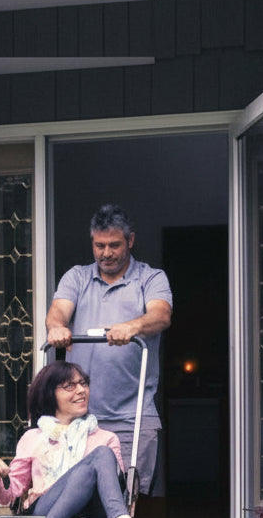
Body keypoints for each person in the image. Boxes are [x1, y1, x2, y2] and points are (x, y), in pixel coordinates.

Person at [0, 361, 179, 518]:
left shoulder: (106, 438)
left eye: (83, 384)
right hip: (43, 512)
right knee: (100, 456)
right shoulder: (32, 438)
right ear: (50, 394)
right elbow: (9, 495)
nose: (81, 390)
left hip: (89, 517)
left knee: (101, 455)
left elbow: (113, 491)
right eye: (69, 386)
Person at [45, 204, 172, 494]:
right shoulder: (76, 277)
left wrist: (132, 327)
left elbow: (161, 315)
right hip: (78, 417)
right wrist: (57, 327)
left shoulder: (151, 278)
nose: (106, 253)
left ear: (130, 241)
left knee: (125, 499)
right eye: (99, 245)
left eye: (114, 245)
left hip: (132, 415)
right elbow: (57, 312)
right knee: (77, 496)